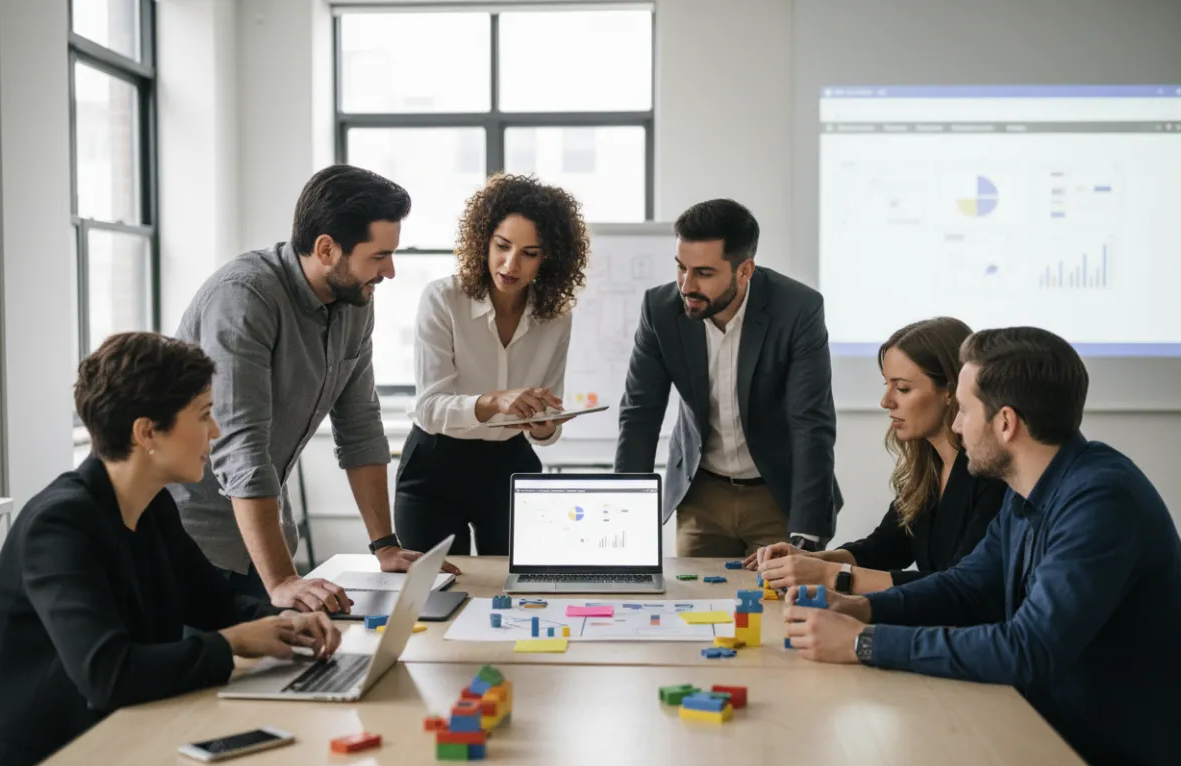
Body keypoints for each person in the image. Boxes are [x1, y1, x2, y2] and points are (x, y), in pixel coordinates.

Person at [782, 327, 1181, 766]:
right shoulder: (1028, 489)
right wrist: (859, 610)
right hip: (1040, 731)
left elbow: (1027, 649)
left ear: (1006, 422)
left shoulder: (1101, 500)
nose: (956, 426)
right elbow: (966, 586)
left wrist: (864, 643)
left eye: (966, 411)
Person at [0, 333, 341, 766]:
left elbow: (217, 600)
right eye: (204, 414)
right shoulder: (60, 524)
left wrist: (291, 623)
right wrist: (233, 642)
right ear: (146, 432)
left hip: (120, 736)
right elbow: (108, 674)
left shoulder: (151, 506)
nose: (215, 432)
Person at [170, 165, 459, 615]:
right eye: (379, 256)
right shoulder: (244, 297)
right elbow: (240, 445)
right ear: (327, 248)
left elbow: (360, 423)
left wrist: (384, 545)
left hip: (263, 541)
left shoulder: (354, 301)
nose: (390, 271)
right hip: (192, 546)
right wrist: (283, 579)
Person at [615, 199, 841, 557]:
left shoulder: (797, 309)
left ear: (744, 270)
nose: (686, 285)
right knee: (692, 605)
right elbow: (640, 413)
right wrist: (623, 517)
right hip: (701, 492)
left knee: (780, 606)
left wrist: (806, 533)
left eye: (703, 273)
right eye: (681, 268)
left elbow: (811, 423)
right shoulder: (660, 310)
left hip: (776, 492)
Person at [396, 174, 589, 556]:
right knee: (436, 597)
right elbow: (430, 410)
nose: (511, 263)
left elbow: (545, 428)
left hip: (509, 465)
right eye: (502, 246)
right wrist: (494, 401)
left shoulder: (556, 317)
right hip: (435, 465)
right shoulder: (443, 299)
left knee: (515, 592)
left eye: (530, 253)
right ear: (483, 239)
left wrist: (545, 424)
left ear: (548, 258)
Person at [745, 318, 1006, 593]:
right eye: (887, 385)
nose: (886, 401)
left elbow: (959, 586)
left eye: (903, 388)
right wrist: (810, 560)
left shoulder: (992, 476)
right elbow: (885, 547)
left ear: (952, 392)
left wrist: (830, 576)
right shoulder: (928, 467)